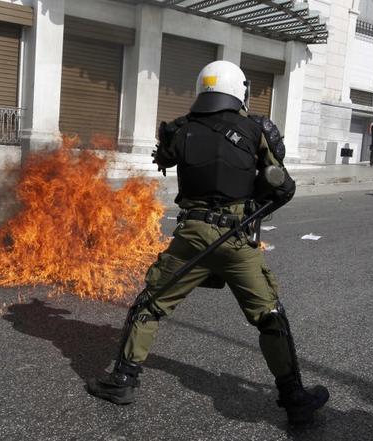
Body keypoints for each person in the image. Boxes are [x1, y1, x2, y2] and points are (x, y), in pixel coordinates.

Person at [85, 61, 329, 426]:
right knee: (270, 317)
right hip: (236, 238)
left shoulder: (179, 129)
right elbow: (284, 187)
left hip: (192, 236)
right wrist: (255, 204)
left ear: (203, 88)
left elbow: (163, 157)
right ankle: (294, 399)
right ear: (238, 90)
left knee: (148, 306)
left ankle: (122, 381)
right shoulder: (256, 129)